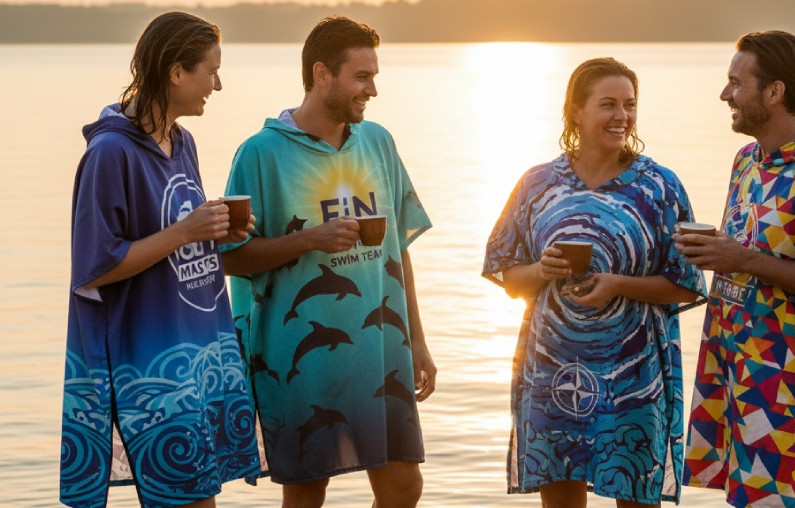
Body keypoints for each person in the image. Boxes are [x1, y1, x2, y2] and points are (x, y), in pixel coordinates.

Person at [220, 15, 436, 508]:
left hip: (382, 351)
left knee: (404, 487)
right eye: (362, 77)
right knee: (306, 494)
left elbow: (397, 248)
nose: (373, 89)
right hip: (297, 357)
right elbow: (232, 259)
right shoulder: (260, 154)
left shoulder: (377, 141)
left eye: (374, 76)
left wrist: (417, 339)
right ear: (322, 75)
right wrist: (309, 241)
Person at [482, 57, 706, 508]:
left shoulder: (659, 188)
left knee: (636, 499)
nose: (621, 116)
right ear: (576, 112)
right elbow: (511, 278)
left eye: (629, 104)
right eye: (608, 104)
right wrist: (542, 271)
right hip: (552, 373)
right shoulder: (537, 184)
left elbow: (685, 284)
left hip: (634, 377)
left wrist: (619, 284)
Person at [60, 11, 261, 508]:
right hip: (150, 367)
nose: (217, 84)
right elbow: (96, 267)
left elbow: (174, 237)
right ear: (176, 72)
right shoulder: (109, 153)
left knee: (199, 499)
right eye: (210, 71)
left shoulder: (182, 142)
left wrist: (214, 233)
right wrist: (183, 233)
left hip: (198, 356)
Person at [680, 30, 795, 508]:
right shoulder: (746, 162)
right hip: (733, 371)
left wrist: (740, 259)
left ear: (775, 92)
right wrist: (712, 253)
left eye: (735, 83)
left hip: (788, 381)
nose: (725, 95)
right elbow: (741, 254)